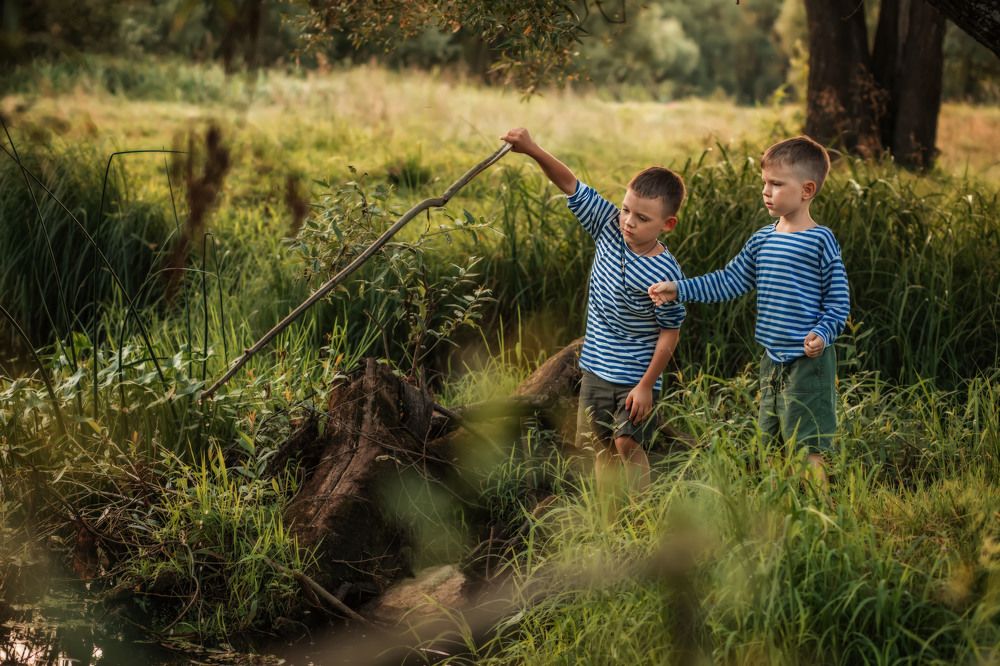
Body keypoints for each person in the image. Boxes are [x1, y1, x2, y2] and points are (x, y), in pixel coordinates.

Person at [648, 135, 849, 483]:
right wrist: (678, 288)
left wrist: (822, 333)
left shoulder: (820, 240)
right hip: (771, 359)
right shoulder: (763, 239)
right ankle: (779, 505)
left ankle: (821, 512)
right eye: (764, 183)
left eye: (776, 183)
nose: (766, 191)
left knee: (807, 443)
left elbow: (838, 301)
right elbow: (728, 281)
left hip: (808, 361)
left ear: (807, 189)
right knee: (769, 440)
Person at [502, 127, 686, 494]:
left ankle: (641, 511)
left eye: (642, 219)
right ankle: (610, 516)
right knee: (603, 448)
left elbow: (670, 332)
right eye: (626, 210)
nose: (629, 222)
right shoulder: (608, 227)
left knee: (626, 443)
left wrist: (647, 386)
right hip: (597, 369)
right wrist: (531, 149)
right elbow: (570, 183)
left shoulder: (666, 274)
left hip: (636, 378)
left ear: (667, 224)